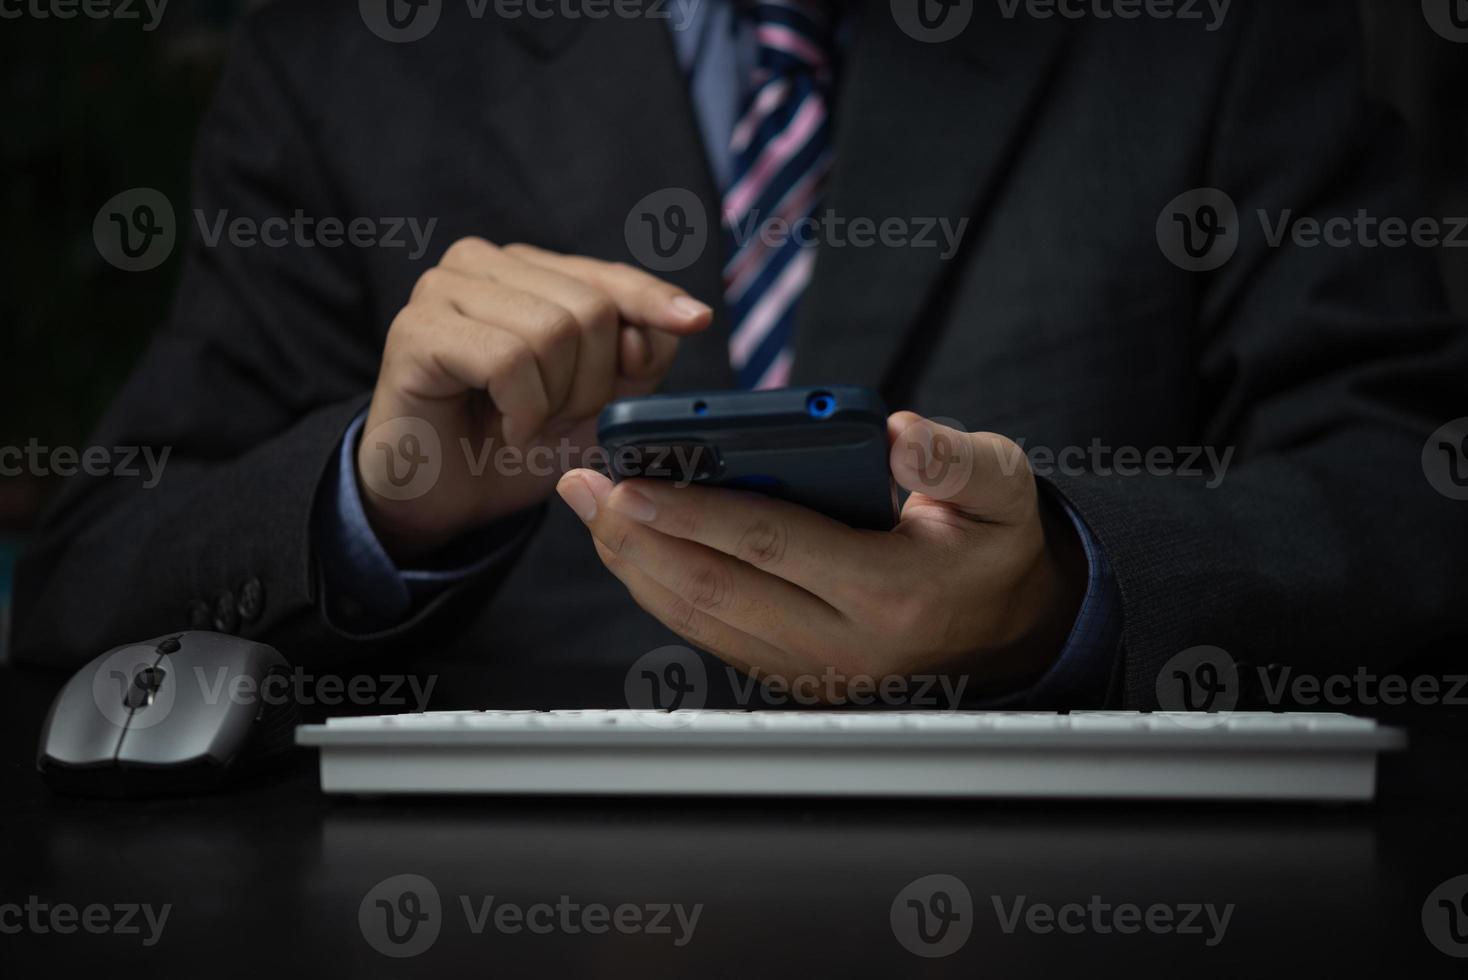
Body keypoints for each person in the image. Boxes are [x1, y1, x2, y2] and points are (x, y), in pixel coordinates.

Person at [12, 0, 1468, 711]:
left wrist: (1065, 593)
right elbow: (84, 597)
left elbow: (1418, 500)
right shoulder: (351, 60)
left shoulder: (1213, 34)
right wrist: (380, 497)